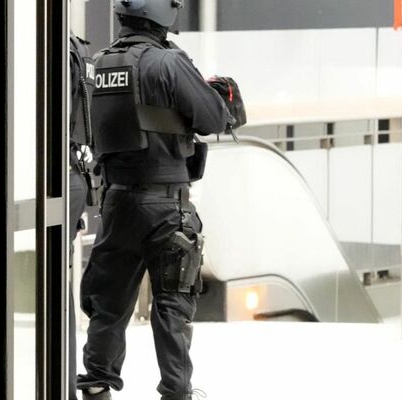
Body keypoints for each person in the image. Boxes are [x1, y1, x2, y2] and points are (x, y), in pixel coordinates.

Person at [77, 1, 231, 399]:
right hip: (166, 204)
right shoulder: (167, 63)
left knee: (108, 302)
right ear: (161, 14)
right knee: (172, 303)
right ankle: (176, 391)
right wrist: (221, 94)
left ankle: (96, 381)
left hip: (117, 203)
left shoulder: (100, 63)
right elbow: (214, 117)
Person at [69, 32, 95, 400]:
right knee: (59, 290)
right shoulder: (78, 47)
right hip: (74, 174)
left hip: (48, 175)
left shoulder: (41, 42)